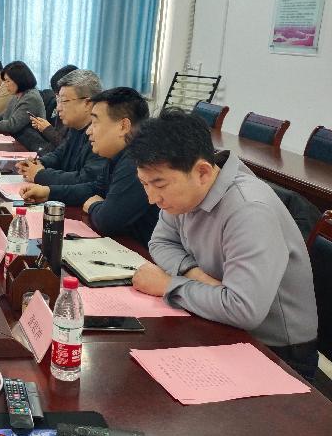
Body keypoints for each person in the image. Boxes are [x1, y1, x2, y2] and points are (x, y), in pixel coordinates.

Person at [129, 110, 318, 380]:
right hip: (220, 322)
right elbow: (160, 241)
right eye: (144, 184)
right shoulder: (184, 193)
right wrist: (194, 274)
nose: (151, 198)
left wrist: (168, 285)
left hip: (276, 353)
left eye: (159, 184)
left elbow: (243, 309)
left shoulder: (249, 210)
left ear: (203, 172)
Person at [20, 87, 159, 246]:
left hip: (142, 253)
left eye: (95, 122)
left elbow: (107, 220)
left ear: (123, 126)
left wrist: (93, 205)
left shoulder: (137, 161)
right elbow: (95, 188)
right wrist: (48, 192)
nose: (89, 131)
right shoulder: (117, 155)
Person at [16, 69, 107, 204]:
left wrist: (41, 174)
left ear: (87, 103)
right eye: (58, 100)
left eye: (63, 101)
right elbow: (59, 154)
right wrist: (38, 163)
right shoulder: (75, 127)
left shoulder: (103, 135)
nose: (58, 108)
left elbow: (86, 179)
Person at [28, 63, 78, 147]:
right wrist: (42, 128)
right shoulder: (55, 104)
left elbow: (67, 148)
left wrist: (47, 130)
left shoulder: (78, 116)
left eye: (61, 97)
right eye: (57, 95)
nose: (58, 108)